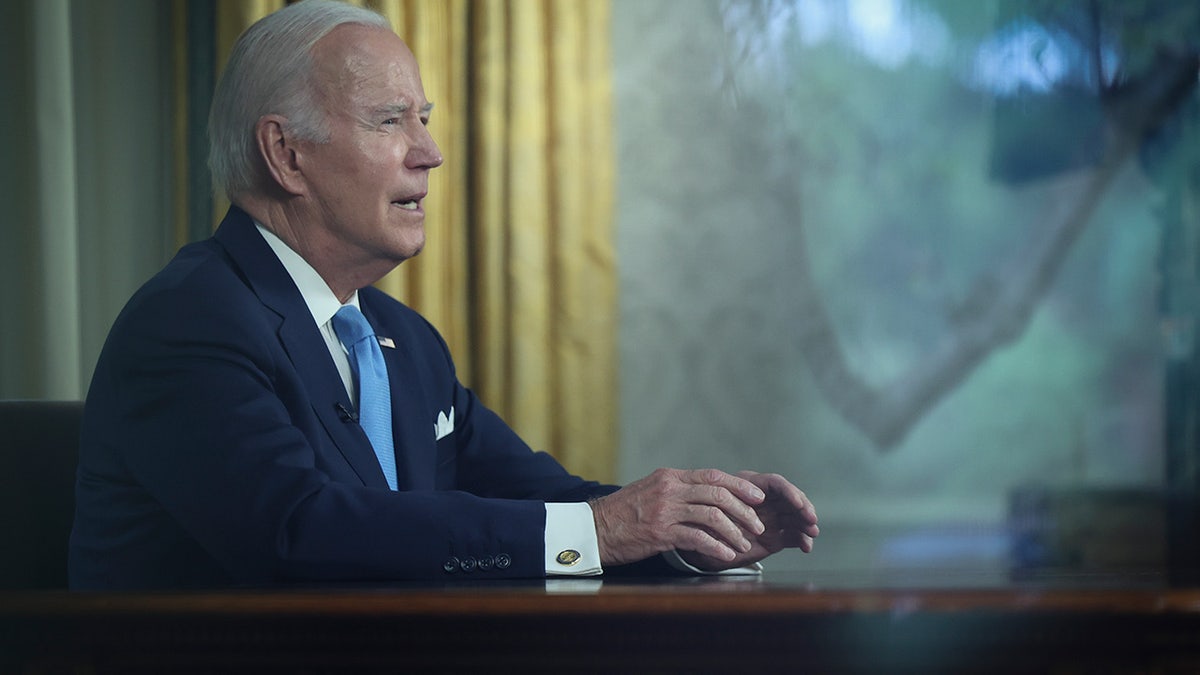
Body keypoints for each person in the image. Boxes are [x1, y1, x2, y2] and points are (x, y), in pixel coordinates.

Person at [68, 0, 818, 589]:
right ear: (286, 153)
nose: (429, 154)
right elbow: (300, 531)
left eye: (422, 118)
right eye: (390, 121)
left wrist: (689, 534)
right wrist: (606, 529)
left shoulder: (405, 340)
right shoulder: (190, 322)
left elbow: (541, 500)